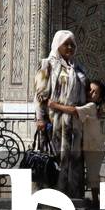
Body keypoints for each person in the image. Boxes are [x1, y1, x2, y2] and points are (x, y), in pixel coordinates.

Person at [33, 29, 87, 200]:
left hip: (75, 122)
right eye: (66, 44)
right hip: (55, 121)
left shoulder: (77, 67)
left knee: (74, 159)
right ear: (58, 45)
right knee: (56, 159)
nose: (70, 47)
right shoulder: (47, 65)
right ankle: (53, 198)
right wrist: (40, 118)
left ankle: (73, 197)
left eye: (72, 44)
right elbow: (40, 95)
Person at [49, 78, 105, 210]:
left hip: (94, 148)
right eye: (89, 90)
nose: (90, 93)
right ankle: (99, 202)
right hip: (89, 146)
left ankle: (97, 204)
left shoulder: (91, 106)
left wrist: (54, 105)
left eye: (95, 92)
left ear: (99, 97)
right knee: (93, 175)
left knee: (92, 176)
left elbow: (75, 111)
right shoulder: (93, 107)